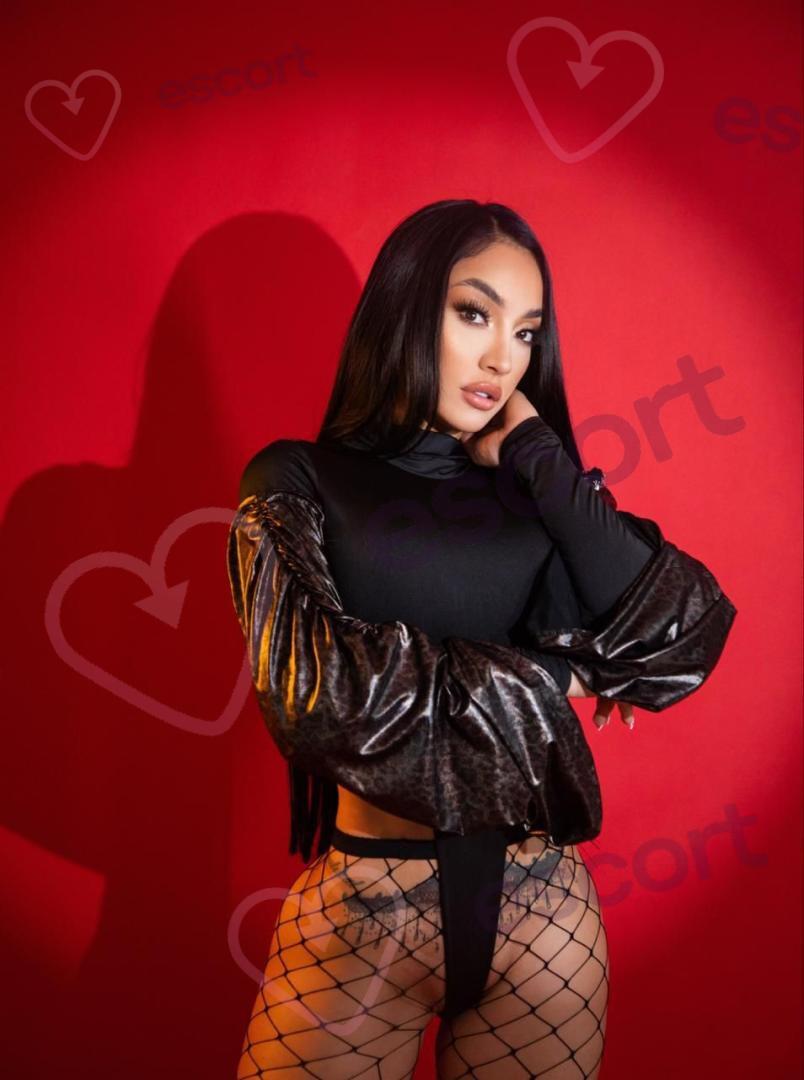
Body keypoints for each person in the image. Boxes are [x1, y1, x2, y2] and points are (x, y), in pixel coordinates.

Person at [226, 199, 737, 1078]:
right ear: (405, 307)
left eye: (527, 331)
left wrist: (538, 451)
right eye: (475, 314)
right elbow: (323, 698)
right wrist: (559, 678)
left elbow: (684, 639)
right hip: (366, 911)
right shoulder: (297, 480)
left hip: (545, 919)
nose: (504, 358)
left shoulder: (538, 496)